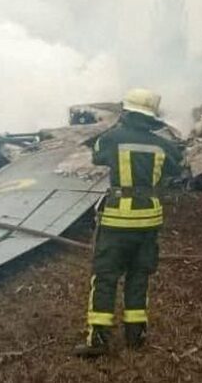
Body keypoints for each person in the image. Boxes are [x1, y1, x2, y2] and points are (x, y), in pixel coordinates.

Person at [74, 88, 183, 358]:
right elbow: (176, 167)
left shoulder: (111, 138)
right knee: (139, 277)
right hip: (149, 222)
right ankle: (136, 336)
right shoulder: (165, 145)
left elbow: (96, 155)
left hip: (117, 221)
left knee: (106, 277)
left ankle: (98, 339)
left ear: (127, 112)